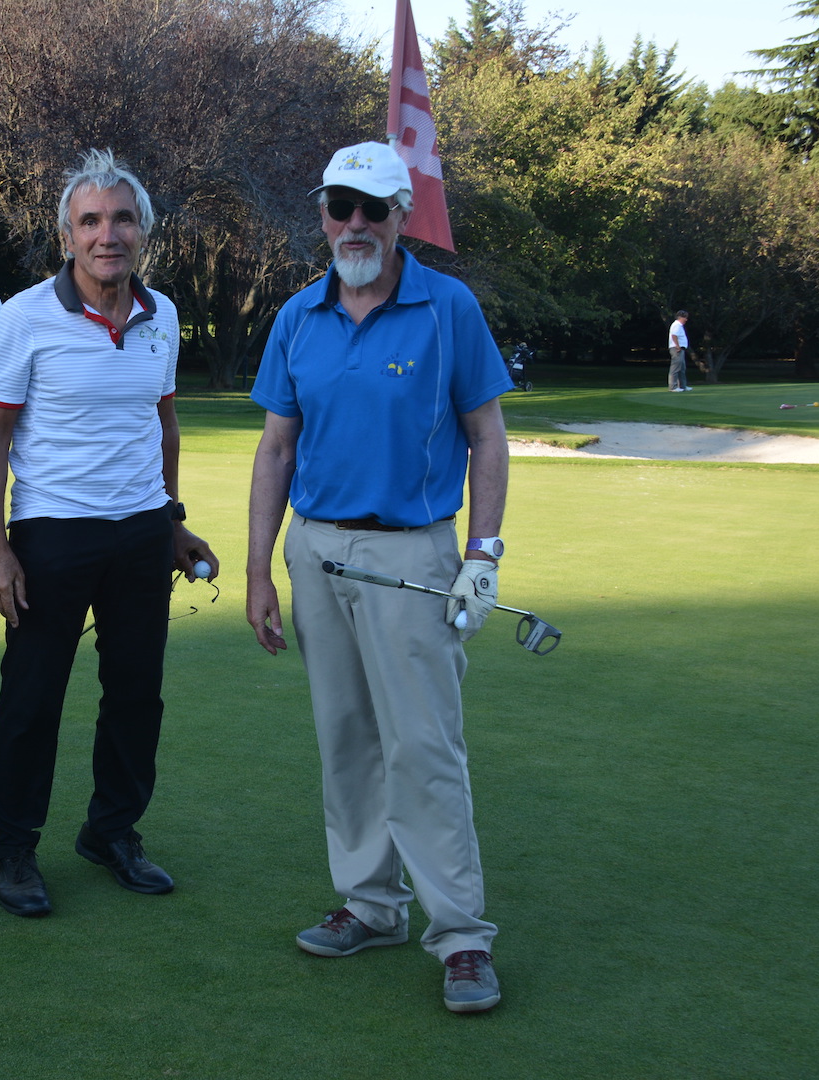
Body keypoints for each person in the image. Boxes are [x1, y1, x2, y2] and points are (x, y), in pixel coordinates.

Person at [245, 141, 512, 1013]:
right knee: (347, 739)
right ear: (323, 213)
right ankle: (371, 903)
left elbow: (486, 436)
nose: (353, 224)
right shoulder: (298, 314)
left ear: (401, 218)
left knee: (424, 747)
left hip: (413, 554)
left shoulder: (448, 307)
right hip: (317, 550)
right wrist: (260, 569)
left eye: (371, 209)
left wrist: (483, 553)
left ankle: (462, 935)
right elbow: (277, 446)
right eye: (338, 207)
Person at [0, 149, 218, 917]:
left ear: (142, 230)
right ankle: (14, 847)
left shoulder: (164, 314)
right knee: (33, 699)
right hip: (52, 533)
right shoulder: (24, 317)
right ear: (67, 237)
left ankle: (113, 832)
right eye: (90, 220)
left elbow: (164, 424)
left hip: (142, 533)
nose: (106, 233)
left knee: (137, 695)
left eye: (121, 218)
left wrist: (173, 521)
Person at [668, 310, 692, 391]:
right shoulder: (676, 325)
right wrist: (677, 346)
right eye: (685, 317)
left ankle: (682, 386)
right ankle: (673, 387)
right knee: (675, 368)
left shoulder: (680, 326)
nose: (686, 319)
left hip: (680, 349)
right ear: (680, 317)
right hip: (676, 349)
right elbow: (674, 335)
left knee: (682, 368)